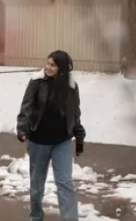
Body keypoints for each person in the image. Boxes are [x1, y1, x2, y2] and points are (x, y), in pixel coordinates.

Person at [16, 50, 86, 221]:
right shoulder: (37, 82)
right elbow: (27, 107)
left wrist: (79, 137)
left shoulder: (71, 87)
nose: (48, 67)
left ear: (62, 68)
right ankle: (36, 216)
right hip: (39, 141)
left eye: (53, 65)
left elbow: (74, 113)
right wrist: (23, 129)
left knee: (65, 184)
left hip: (61, 142)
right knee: (37, 185)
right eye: (47, 63)